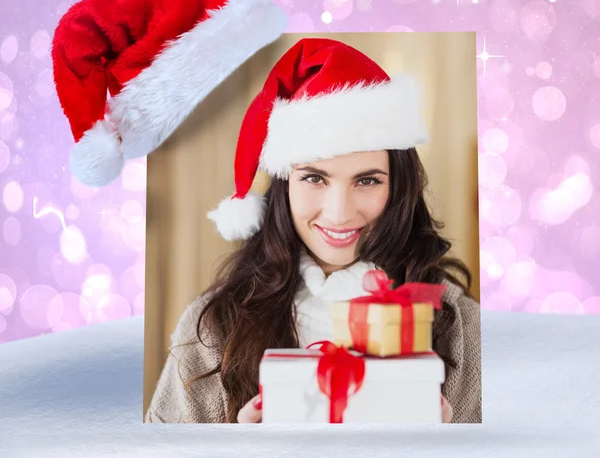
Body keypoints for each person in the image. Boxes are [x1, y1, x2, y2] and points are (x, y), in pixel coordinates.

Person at [145, 37, 481, 424]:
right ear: (285, 184)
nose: (339, 214)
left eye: (367, 181)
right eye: (315, 178)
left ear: (399, 187)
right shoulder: (215, 325)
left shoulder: (459, 325)